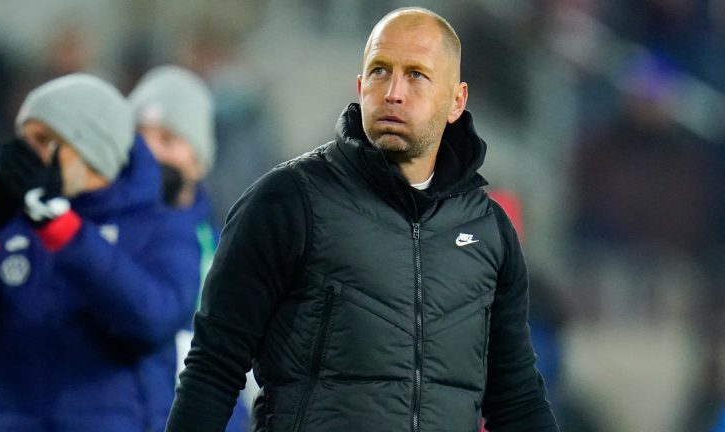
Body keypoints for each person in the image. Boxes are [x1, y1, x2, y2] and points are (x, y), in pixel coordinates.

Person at [166, 7, 558, 432]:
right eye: (379, 71)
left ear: (456, 101)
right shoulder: (287, 201)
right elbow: (214, 369)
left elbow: (516, 398)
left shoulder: (488, 229)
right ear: (359, 86)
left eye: (416, 75)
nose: (393, 91)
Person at [0, 74, 201, 431]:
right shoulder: (3, 218)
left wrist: (64, 230)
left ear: (90, 148)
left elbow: (153, 319)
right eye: (22, 140)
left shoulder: (161, 224)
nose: (25, 156)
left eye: (42, 141)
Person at [129, 65, 251, 432]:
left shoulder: (224, 257)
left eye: (167, 140)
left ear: (198, 162)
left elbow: (231, 379)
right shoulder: (97, 237)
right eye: (139, 138)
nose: (149, 153)